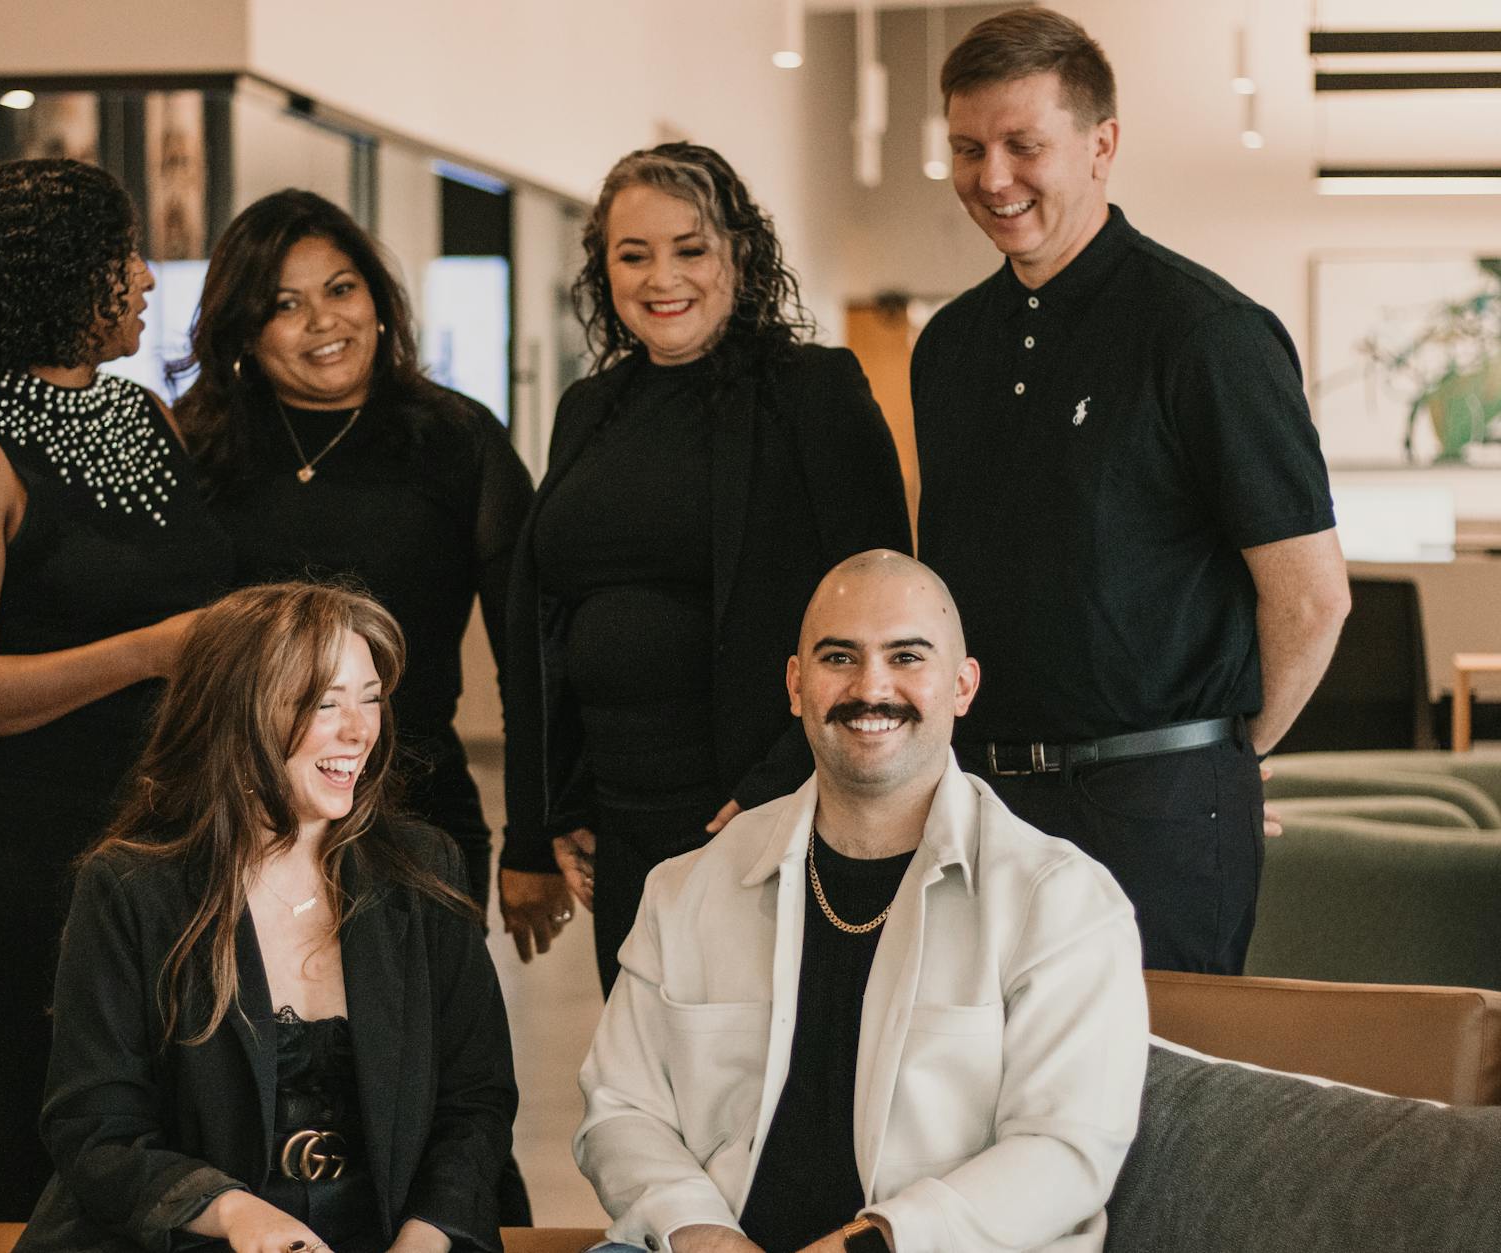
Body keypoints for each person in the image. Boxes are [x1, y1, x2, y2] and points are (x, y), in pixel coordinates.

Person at [911, 7, 1351, 974]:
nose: (993, 178)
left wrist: (1221, 760)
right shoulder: (947, 348)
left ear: (1101, 144)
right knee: (982, 1096)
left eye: (1025, 145)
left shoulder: (1207, 333)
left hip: (1159, 814)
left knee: (1162, 1112)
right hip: (982, 805)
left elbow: (1312, 596)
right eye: (968, 148)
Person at [575, 551, 1148, 1253]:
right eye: (839, 657)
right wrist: (703, 1233)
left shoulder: (1060, 902)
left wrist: (872, 1243)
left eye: (907, 656)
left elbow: (1067, 1151)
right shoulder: (687, 887)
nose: (871, 686)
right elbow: (620, 1108)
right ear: (795, 684)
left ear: (962, 685)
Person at [0, 158, 232, 1221]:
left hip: (151, 827)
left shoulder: (143, 413)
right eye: (116, 257)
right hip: (12, 838)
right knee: (36, 1111)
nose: (142, 277)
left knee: (155, 1112)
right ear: (52, 280)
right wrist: (147, 651)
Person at [501, 143, 912, 994]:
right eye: (634, 254)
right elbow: (548, 615)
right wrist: (555, 805)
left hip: (755, 810)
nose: (663, 278)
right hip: (618, 819)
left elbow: (884, 606)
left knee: (753, 1081)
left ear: (740, 253)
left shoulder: (812, 391)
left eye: (690, 249)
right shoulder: (589, 408)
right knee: (647, 1070)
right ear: (602, 267)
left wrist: (782, 779)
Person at [14, 583, 517, 1253]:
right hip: (190, 1237)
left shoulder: (422, 871)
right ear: (238, 714)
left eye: (369, 698)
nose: (359, 729)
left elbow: (475, 1101)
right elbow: (94, 1124)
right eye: (324, 704)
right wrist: (234, 1213)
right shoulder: (132, 886)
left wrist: (427, 1237)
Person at [176, 189, 533, 914]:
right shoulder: (196, 448)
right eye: (285, 304)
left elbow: (528, 654)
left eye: (341, 288)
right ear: (245, 330)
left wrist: (534, 836)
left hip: (417, 810)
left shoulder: (459, 439)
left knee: (419, 1026)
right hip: (234, 815)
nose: (323, 321)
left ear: (378, 300)